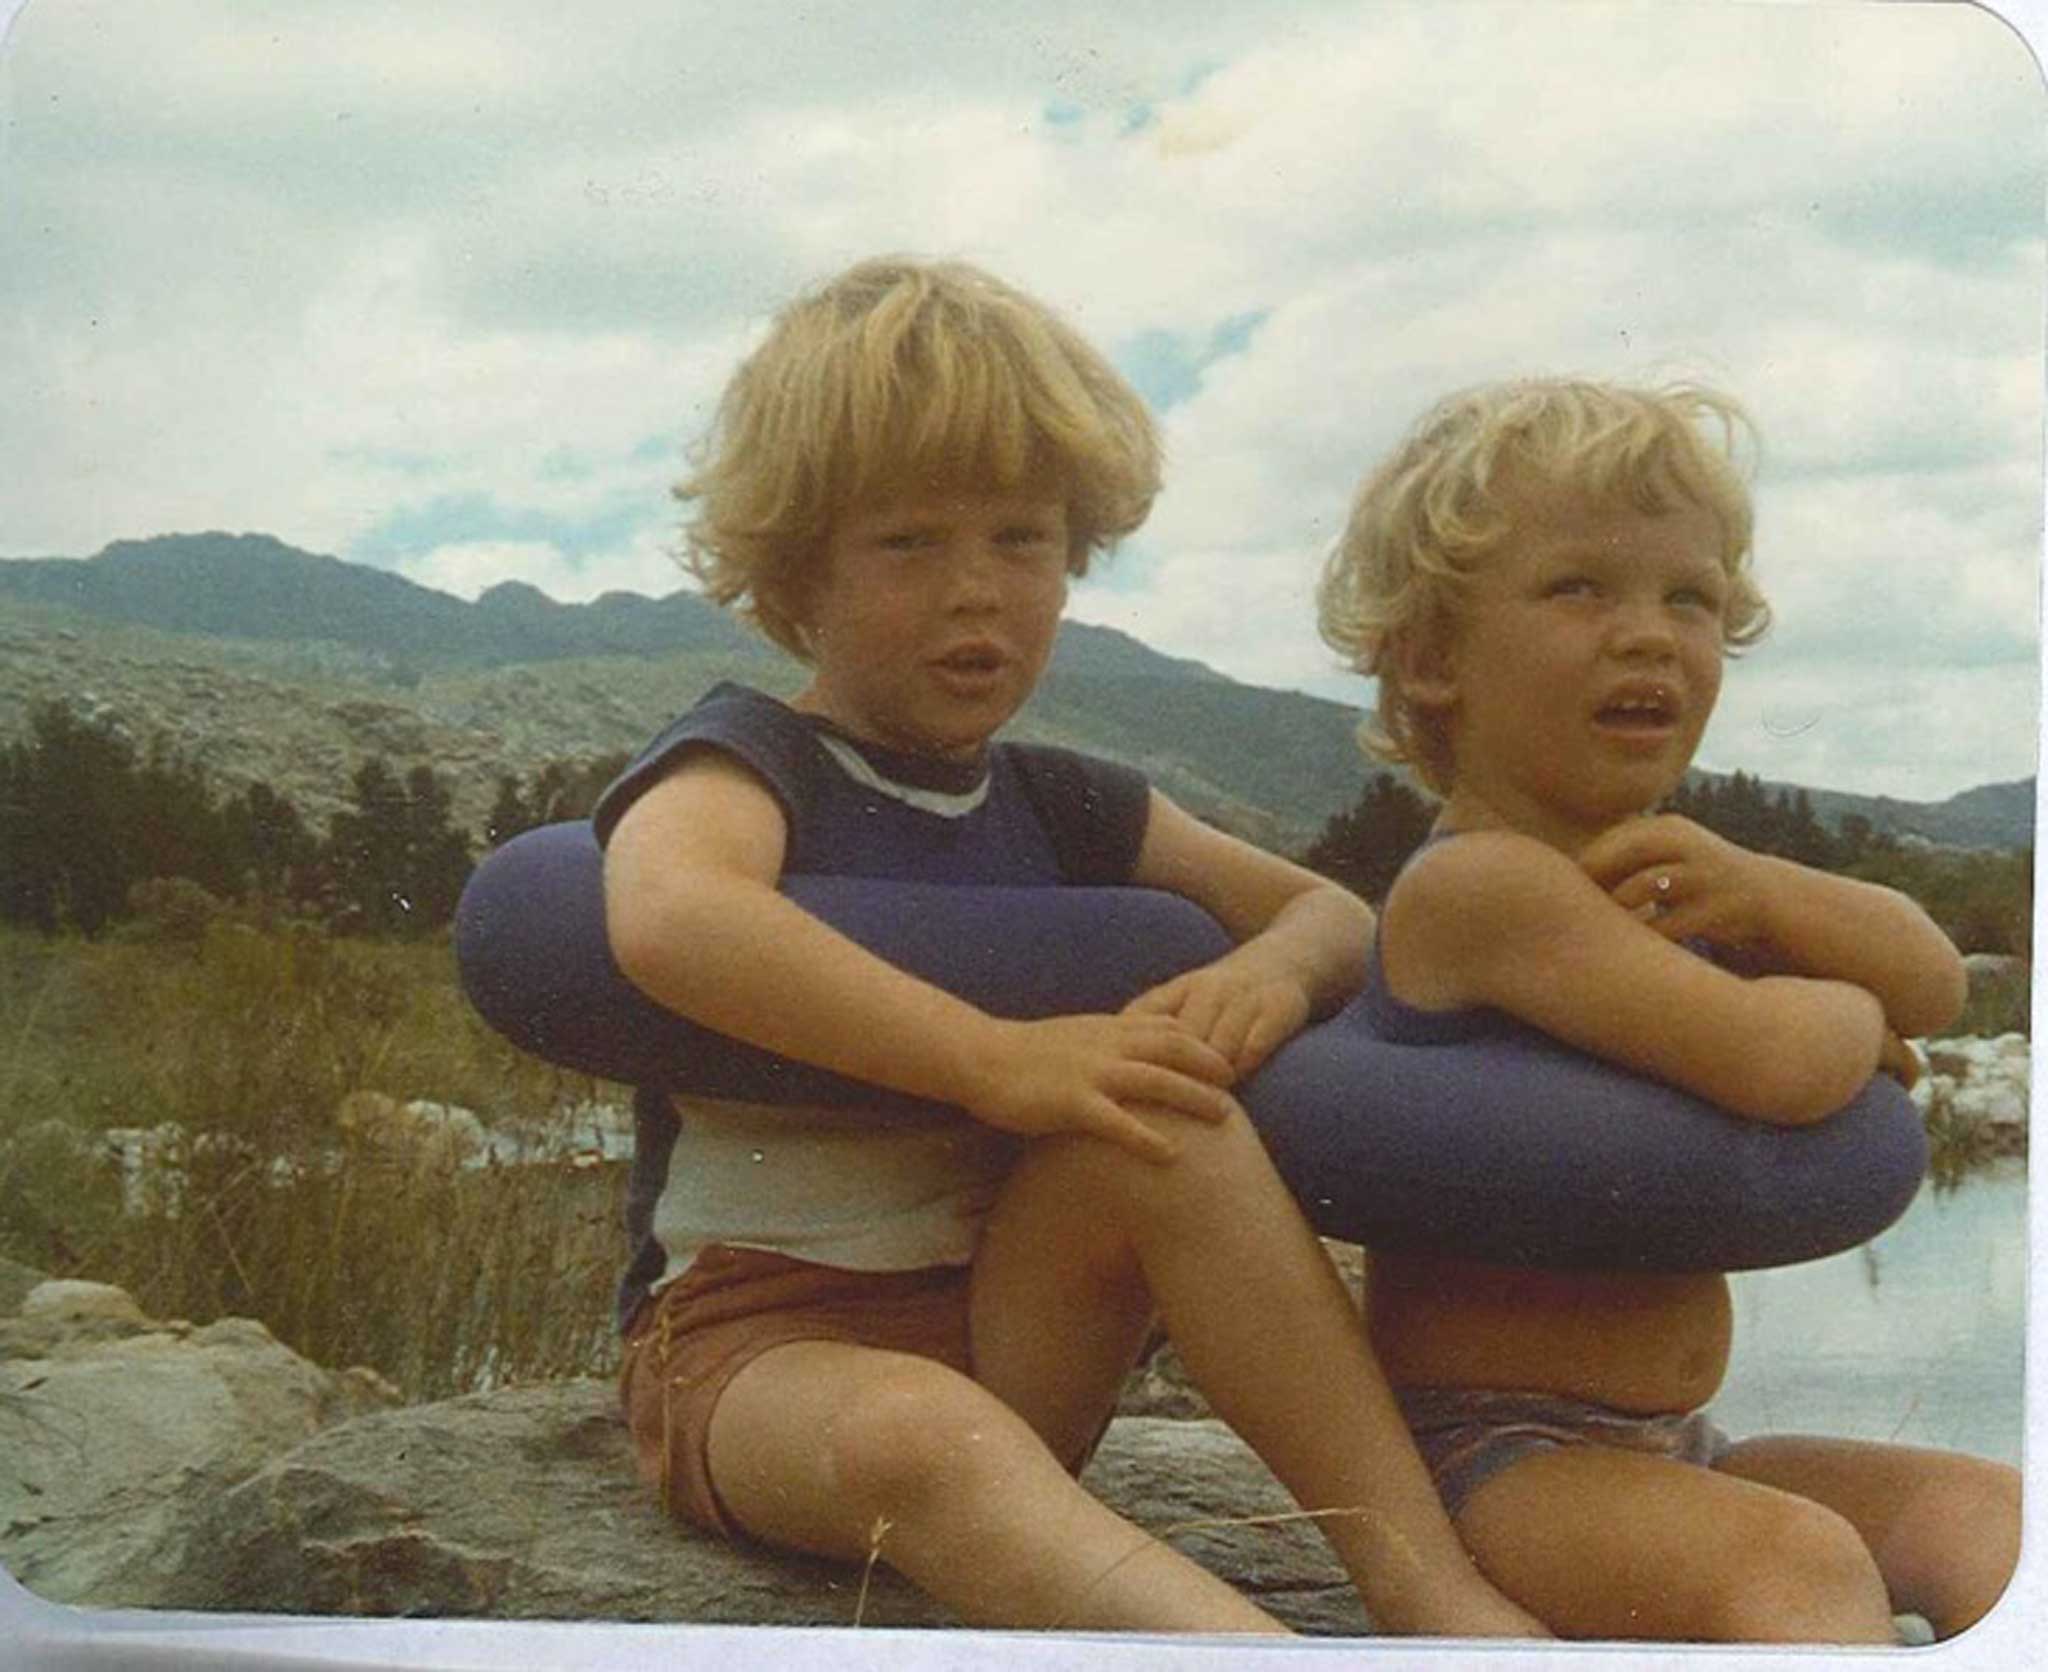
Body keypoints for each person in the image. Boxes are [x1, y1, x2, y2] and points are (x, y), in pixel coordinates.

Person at [594, 256, 1542, 1636]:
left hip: (1004, 1329)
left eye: (1022, 542)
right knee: (923, 1442)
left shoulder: (1066, 802)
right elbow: (676, 916)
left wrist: (1259, 978)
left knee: (1161, 1119)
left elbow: (1331, 911)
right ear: (794, 575)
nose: (978, 592)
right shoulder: (748, 762)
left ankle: (1428, 1589)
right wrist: (992, 1061)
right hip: (755, 1348)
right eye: (910, 544)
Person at [1315, 375, 2021, 1643]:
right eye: (1579, 587)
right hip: (1494, 1460)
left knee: (1991, 1516)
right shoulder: (1480, 886)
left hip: (1672, 1445)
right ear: (1429, 659)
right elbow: (1772, 1062)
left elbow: (1927, 973)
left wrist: (1761, 885)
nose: (1648, 634)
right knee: (1792, 1566)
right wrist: (1852, 1029)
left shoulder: (1665, 873)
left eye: (1685, 596)